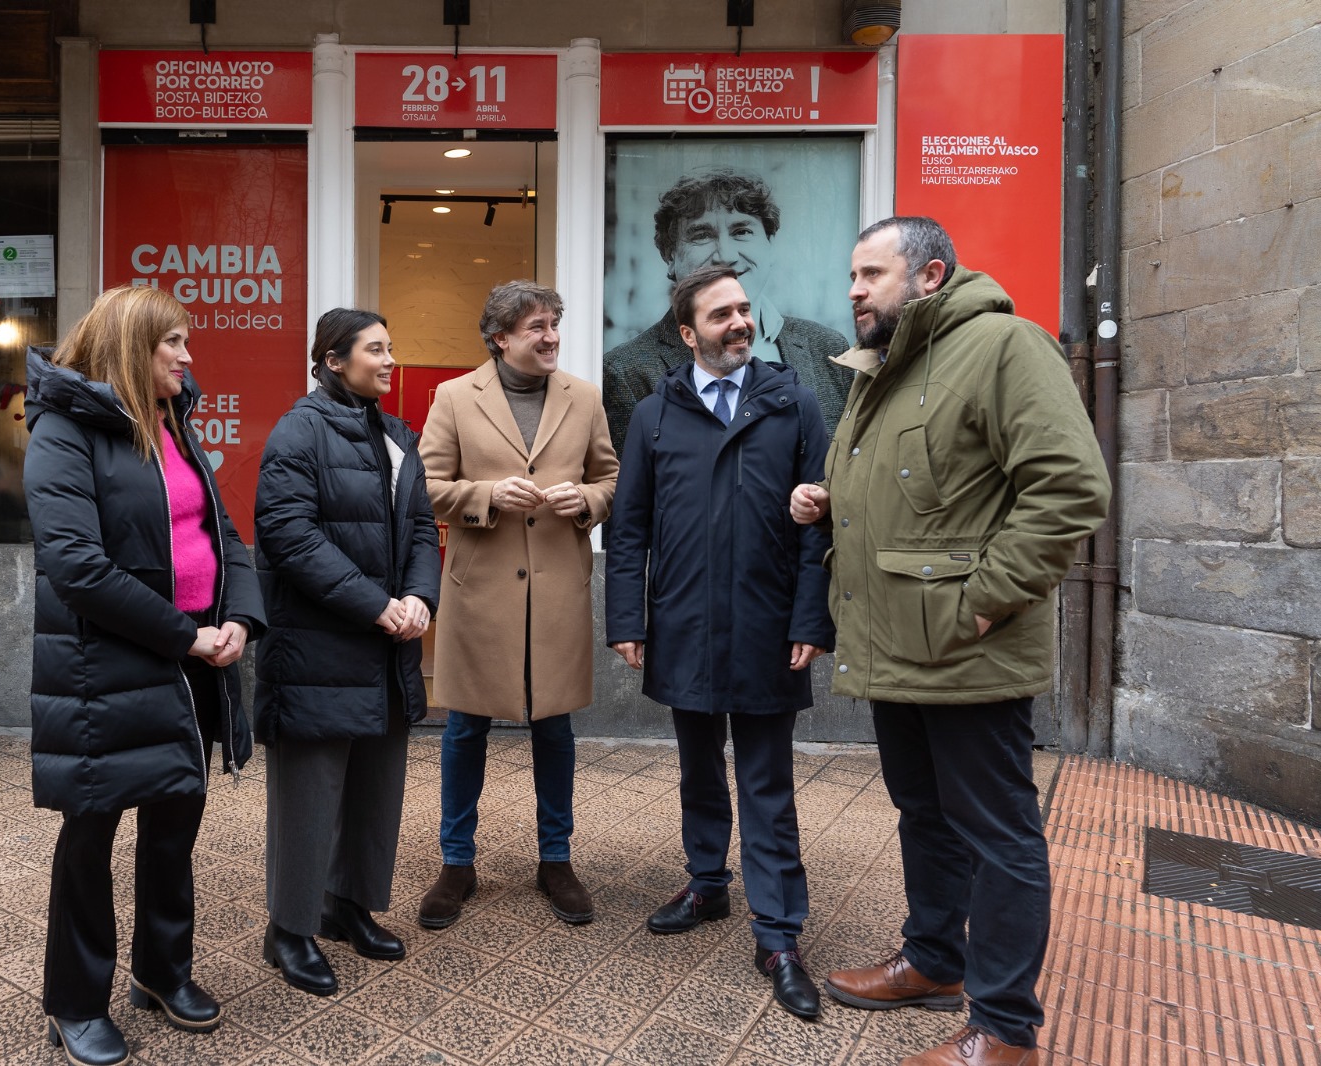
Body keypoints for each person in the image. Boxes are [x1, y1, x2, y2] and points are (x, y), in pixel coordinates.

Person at [790, 217, 1111, 1066]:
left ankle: (1006, 1028)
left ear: (929, 276)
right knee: (924, 814)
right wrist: (832, 497)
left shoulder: (1007, 347)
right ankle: (935, 962)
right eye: (850, 274)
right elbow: (926, 486)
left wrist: (985, 600)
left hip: (968, 648)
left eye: (871, 274)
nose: (853, 289)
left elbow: (1071, 489)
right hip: (896, 644)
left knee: (998, 835)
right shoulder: (881, 369)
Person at [24, 284, 265, 1066]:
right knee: (90, 836)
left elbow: (223, 533)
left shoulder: (173, 422)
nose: (189, 358)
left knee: (174, 826)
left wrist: (240, 619)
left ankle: (163, 974)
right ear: (133, 347)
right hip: (105, 666)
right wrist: (184, 636)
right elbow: (76, 567)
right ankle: (75, 1003)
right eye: (175, 344)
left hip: (191, 659)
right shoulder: (64, 429)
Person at [605, 264, 834, 1021]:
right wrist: (628, 621)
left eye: (743, 310)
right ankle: (706, 885)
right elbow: (630, 525)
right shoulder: (655, 414)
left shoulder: (793, 402)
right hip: (683, 624)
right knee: (698, 768)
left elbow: (817, 529)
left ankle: (779, 936)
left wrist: (810, 620)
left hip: (769, 628)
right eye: (720, 315)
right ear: (686, 334)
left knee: (767, 785)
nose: (738, 323)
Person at [415, 280, 618, 929]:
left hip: (557, 589)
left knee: (554, 726)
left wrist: (585, 502)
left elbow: (610, 478)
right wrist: (484, 495)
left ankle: (556, 860)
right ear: (500, 337)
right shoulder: (454, 397)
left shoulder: (585, 397)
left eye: (554, 324)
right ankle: (457, 862)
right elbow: (425, 487)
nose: (551, 336)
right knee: (464, 728)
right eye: (537, 326)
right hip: (480, 594)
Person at [253, 308, 441, 997]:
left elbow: (423, 526)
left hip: (387, 649)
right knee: (308, 796)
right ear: (334, 360)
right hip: (318, 651)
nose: (390, 361)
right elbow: (288, 536)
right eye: (376, 350)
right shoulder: (297, 431)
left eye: (392, 347)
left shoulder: (395, 435)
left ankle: (347, 907)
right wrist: (376, 604)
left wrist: (422, 595)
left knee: (374, 790)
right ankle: (289, 932)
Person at [603, 167, 853, 453]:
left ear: (770, 245)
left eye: (742, 231)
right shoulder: (625, 372)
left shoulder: (828, 349)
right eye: (701, 234)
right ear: (669, 256)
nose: (726, 254)